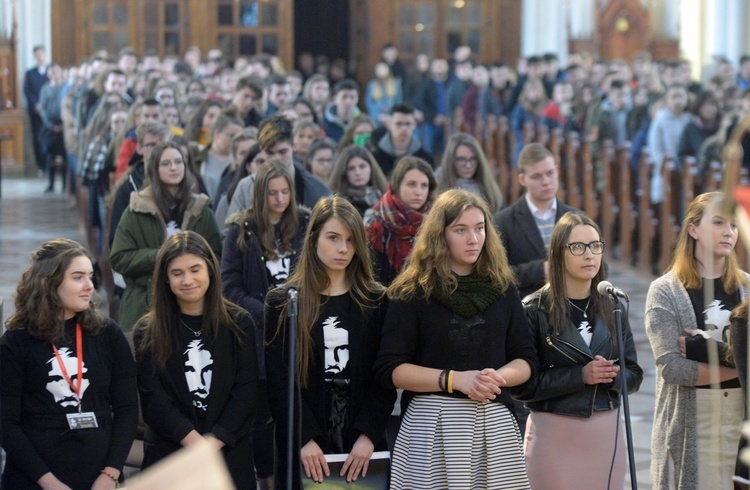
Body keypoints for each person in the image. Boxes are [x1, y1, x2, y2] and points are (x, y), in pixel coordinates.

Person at [374, 189, 537, 489]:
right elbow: (391, 369)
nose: (473, 239)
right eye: (460, 230)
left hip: (493, 422)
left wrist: (494, 378)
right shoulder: (412, 292)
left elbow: (526, 358)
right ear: (440, 235)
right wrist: (454, 380)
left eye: (479, 228)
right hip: (431, 424)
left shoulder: (503, 288)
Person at [264, 196, 395, 489]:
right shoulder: (284, 302)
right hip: (305, 441)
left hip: (362, 441)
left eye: (350, 240)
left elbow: (384, 376)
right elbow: (278, 381)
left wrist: (368, 435)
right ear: (313, 239)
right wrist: (303, 437)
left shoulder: (376, 300)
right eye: (333, 237)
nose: (343, 249)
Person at [516, 212, 643, 489]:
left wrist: (612, 376)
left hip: (606, 435)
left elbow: (634, 374)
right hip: (554, 435)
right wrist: (580, 376)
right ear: (559, 253)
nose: (589, 255)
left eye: (595, 246)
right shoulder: (534, 309)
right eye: (578, 247)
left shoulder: (613, 305)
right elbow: (522, 387)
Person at [0, 238, 138, 489]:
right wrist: (48, 482)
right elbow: (6, 423)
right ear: (47, 282)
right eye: (78, 277)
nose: (90, 286)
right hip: (35, 477)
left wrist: (111, 472)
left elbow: (127, 408)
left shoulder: (108, 334)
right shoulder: (16, 341)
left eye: (90, 276)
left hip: (99, 477)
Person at [134, 231, 258, 489]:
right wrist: (194, 443)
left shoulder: (239, 323)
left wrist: (213, 444)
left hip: (228, 452)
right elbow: (153, 398)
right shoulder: (148, 331)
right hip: (171, 454)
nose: (187, 280)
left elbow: (246, 391)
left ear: (210, 270)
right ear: (165, 280)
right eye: (177, 273)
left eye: (195, 269)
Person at [645, 192, 750, 489]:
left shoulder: (747, 288)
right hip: (691, 423)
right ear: (693, 229)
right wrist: (743, 369)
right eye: (718, 222)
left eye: (732, 224)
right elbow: (675, 370)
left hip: (741, 422)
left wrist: (702, 350)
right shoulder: (665, 291)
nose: (728, 232)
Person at [222, 161, 311, 489]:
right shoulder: (241, 230)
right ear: (260, 194)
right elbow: (229, 287)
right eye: (272, 193)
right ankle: (266, 481)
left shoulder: (304, 224)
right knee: (260, 420)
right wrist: (269, 313)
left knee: (294, 415)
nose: (279, 199)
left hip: (299, 337)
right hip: (257, 339)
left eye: (285, 192)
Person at [111, 141, 222, 331]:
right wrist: (159, 255)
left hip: (192, 303)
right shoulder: (137, 209)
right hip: (144, 303)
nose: (174, 168)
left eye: (179, 162)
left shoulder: (201, 209)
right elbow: (119, 258)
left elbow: (216, 255)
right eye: (166, 163)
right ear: (154, 168)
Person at [494, 143, 578, 299]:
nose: (546, 181)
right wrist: (540, 270)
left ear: (557, 171)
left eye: (550, 173)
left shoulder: (577, 218)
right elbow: (496, 275)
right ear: (523, 179)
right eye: (537, 176)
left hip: (571, 308)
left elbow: (600, 265)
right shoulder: (503, 221)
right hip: (526, 311)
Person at [367, 156, 437, 286]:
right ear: (397, 186)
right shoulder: (375, 224)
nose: (418, 192)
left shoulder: (436, 223)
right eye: (411, 184)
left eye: (424, 185)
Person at [436, 132, 503, 214]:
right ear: (451, 160)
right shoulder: (438, 183)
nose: (468, 165)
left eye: (473, 159)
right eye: (461, 159)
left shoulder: (488, 187)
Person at [369, 103, 433, 177]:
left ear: (414, 125)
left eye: (408, 124)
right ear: (389, 124)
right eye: (399, 124)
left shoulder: (425, 159)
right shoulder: (375, 158)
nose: (404, 129)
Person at [327, 145, 388, 218]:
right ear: (343, 172)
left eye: (362, 166)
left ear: (371, 167)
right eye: (351, 168)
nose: (358, 173)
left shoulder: (384, 197)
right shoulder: (336, 203)